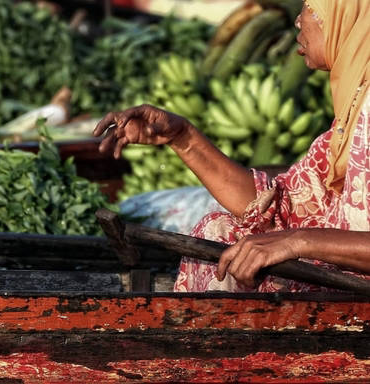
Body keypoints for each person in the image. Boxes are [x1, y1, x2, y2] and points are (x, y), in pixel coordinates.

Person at [92, 0, 369, 292]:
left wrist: (297, 241)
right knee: (224, 234)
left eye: (312, 7)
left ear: (348, 16)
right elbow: (277, 210)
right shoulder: (353, 111)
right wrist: (182, 137)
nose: (299, 20)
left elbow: (294, 231)